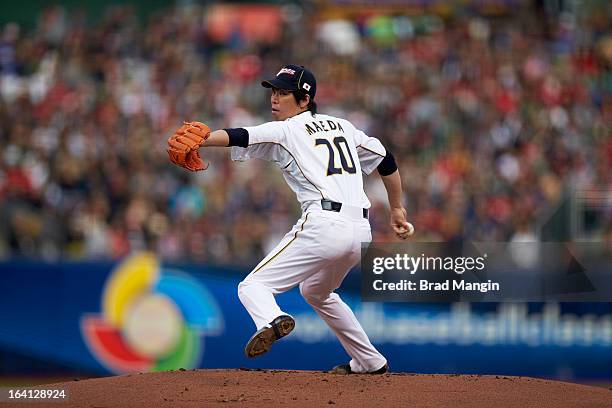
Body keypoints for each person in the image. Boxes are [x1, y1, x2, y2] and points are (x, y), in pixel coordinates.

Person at [166, 64, 414, 374]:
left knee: (252, 286)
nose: (274, 98)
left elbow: (240, 136)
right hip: (360, 232)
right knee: (316, 292)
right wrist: (397, 209)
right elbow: (386, 160)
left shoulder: (286, 130)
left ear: (304, 100)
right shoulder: (343, 126)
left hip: (324, 225)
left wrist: (203, 141)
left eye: (284, 93)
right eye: (273, 91)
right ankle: (370, 361)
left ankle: (270, 319)